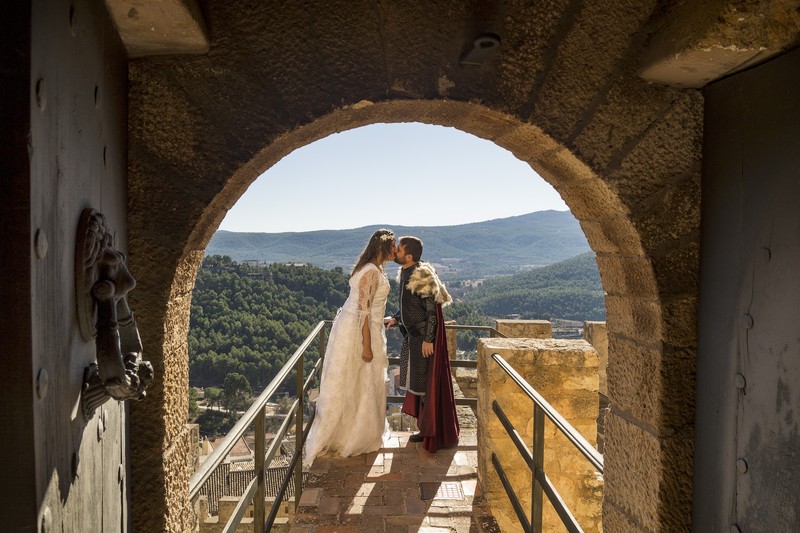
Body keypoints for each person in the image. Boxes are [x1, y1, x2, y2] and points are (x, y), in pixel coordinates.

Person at [304, 229, 396, 466]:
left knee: (359, 379)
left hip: (362, 326)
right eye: (392, 246)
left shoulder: (369, 268)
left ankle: (356, 429)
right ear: (382, 248)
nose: (395, 250)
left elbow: (369, 307)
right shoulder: (371, 272)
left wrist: (382, 321)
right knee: (363, 377)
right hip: (361, 331)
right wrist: (366, 345)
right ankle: (352, 435)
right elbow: (363, 312)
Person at [385, 236, 459, 452]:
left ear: (408, 256)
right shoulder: (406, 271)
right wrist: (396, 318)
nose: (395, 251)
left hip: (423, 340)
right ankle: (425, 430)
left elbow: (431, 312)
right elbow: (409, 304)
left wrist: (428, 339)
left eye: (398, 249)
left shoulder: (422, 275)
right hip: (413, 338)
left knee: (427, 388)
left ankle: (430, 433)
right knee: (418, 386)